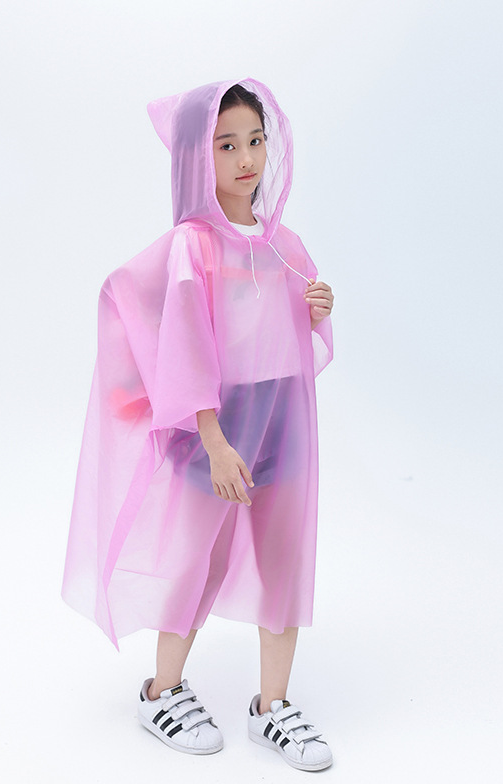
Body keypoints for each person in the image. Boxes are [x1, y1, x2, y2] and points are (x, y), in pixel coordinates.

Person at [62, 78, 335, 772]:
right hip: (218, 425)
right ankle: (162, 690)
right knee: (196, 559)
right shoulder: (195, 245)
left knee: (284, 560)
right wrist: (212, 440)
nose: (246, 158)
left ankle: (273, 706)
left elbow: (285, 333)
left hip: (284, 418)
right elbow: (187, 345)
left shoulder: (285, 245)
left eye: (255, 140)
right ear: (196, 157)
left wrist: (315, 307)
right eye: (226, 145)